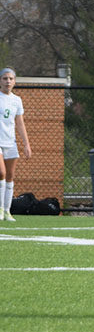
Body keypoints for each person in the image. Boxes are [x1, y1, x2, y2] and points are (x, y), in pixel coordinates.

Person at [0, 67, 32, 222]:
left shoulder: (16, 100)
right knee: (1, 173)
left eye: (11, 79)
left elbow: (20, 123)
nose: (8, 81)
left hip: (10, 142)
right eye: (5, 78)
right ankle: (0, 209)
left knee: (10, 176)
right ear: (0, 81)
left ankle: (7, 211)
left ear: (14, 81)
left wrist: (26, 144)